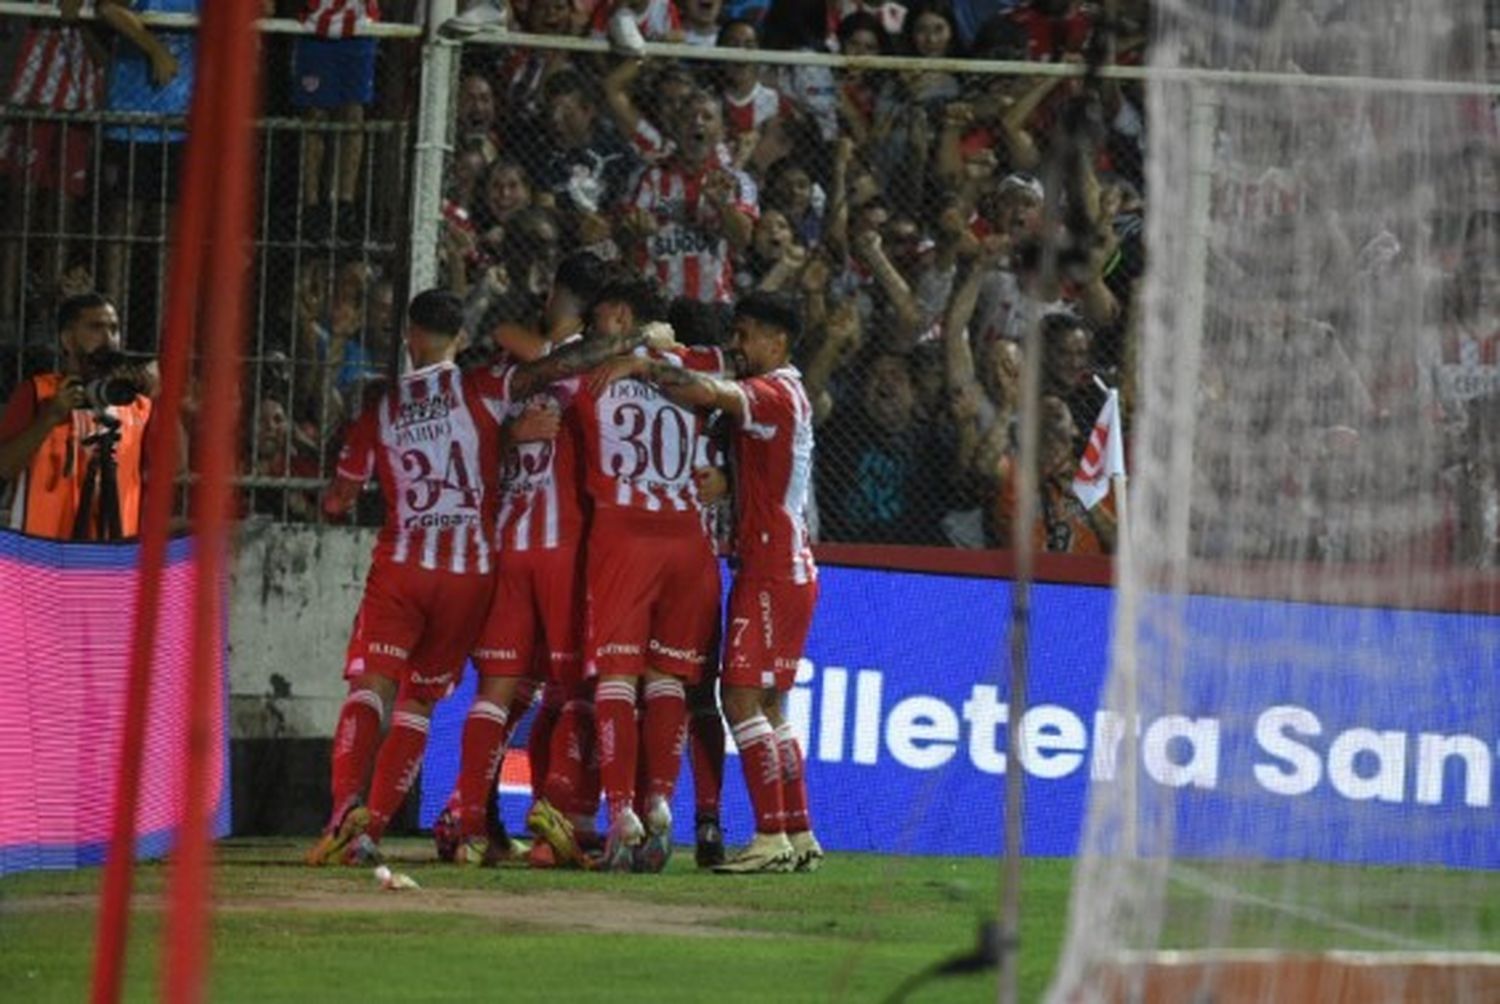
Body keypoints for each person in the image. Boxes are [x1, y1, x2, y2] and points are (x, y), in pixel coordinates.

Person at [612, 291, 822, 873]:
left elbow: (705, 392)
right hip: (788, 564)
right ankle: (797, 832)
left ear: (778, 341)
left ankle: (769, 837)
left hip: (772, 569)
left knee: (738, 698)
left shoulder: (773, 392)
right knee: (773, 708)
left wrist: (648, 360)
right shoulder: (791, 393)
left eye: (749, 333)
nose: (739, 344)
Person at [569, 273, 730, 872]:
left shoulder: (590, 373)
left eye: (603, 316)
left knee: (616, 675)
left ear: (621, 314)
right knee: (668, 679)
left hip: (625, 533)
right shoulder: (697, 369)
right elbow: (726, 379)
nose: (595, 326)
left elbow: (540, 363)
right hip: (687, 538)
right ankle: (660, 800)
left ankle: (621, 814)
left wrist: (629, 358)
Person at [0, 292, 155, 540]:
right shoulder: (38, 392)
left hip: (110, 555)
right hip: (43, 552)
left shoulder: (136, 405)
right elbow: (4, 467)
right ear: (67, 339)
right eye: (96, 327)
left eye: (114, 329)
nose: (109, 339)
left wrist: (165, 401)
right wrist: (50, 417)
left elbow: (175, 467)